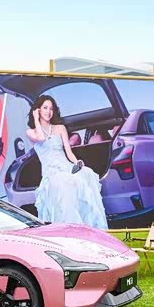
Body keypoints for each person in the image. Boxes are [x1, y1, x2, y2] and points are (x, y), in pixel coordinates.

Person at [25, 95, 108, 229]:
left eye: (51, 109)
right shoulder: (31, 132)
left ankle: (92, 228)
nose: (48, 111)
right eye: (45, 108)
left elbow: (68, 152)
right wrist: (35, 118)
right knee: (65, 183)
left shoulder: (60, 128)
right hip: (51, 173)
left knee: (87, 174)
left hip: (66, 167)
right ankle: (72, 229)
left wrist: (77, 162)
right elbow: (41, 138)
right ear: (38, 110)